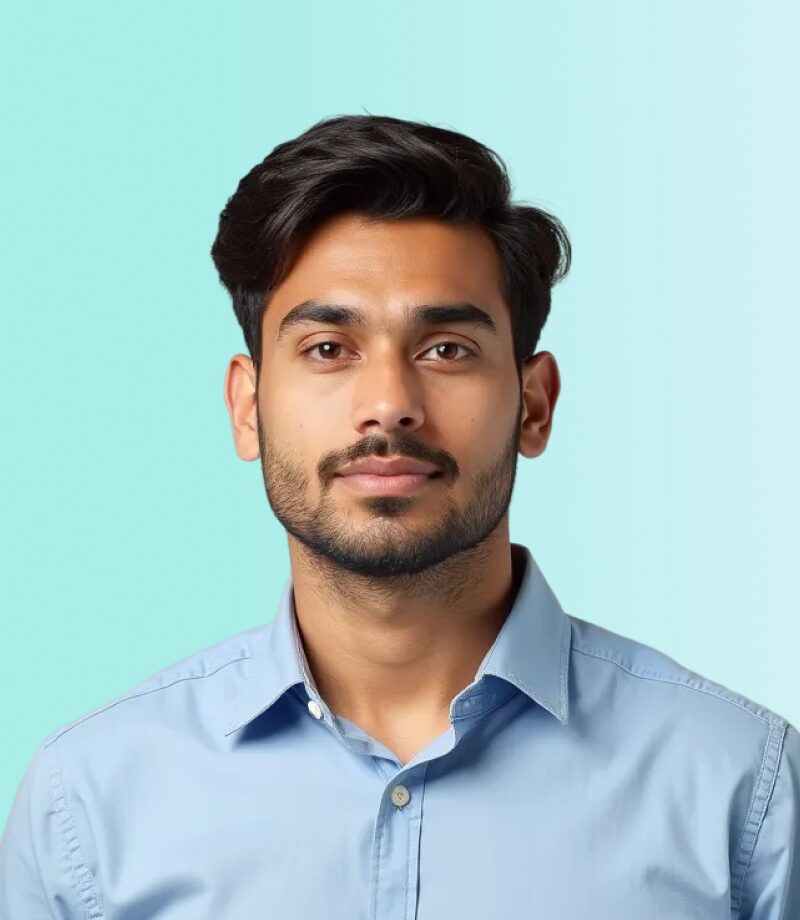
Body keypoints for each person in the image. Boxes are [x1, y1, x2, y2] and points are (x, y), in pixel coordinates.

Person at [1, 113, 797, 919]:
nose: (388, 405)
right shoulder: (89, 807)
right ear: (248, 408)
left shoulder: (742, 788)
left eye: (446, 348)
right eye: (327, 349)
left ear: (534, 404)